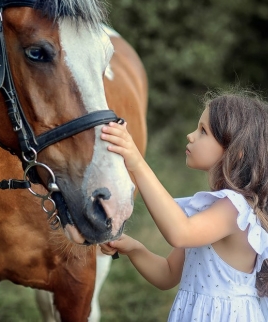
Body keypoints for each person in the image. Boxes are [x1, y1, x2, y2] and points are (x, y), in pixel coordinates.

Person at [100, 90, 268, 321]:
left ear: (236, 152)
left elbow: (179, 233)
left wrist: (136, 163)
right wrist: (134, 249)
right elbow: (167, 275)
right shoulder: (208, 212)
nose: (191, 136)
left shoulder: (234, 209)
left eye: (203, 131)